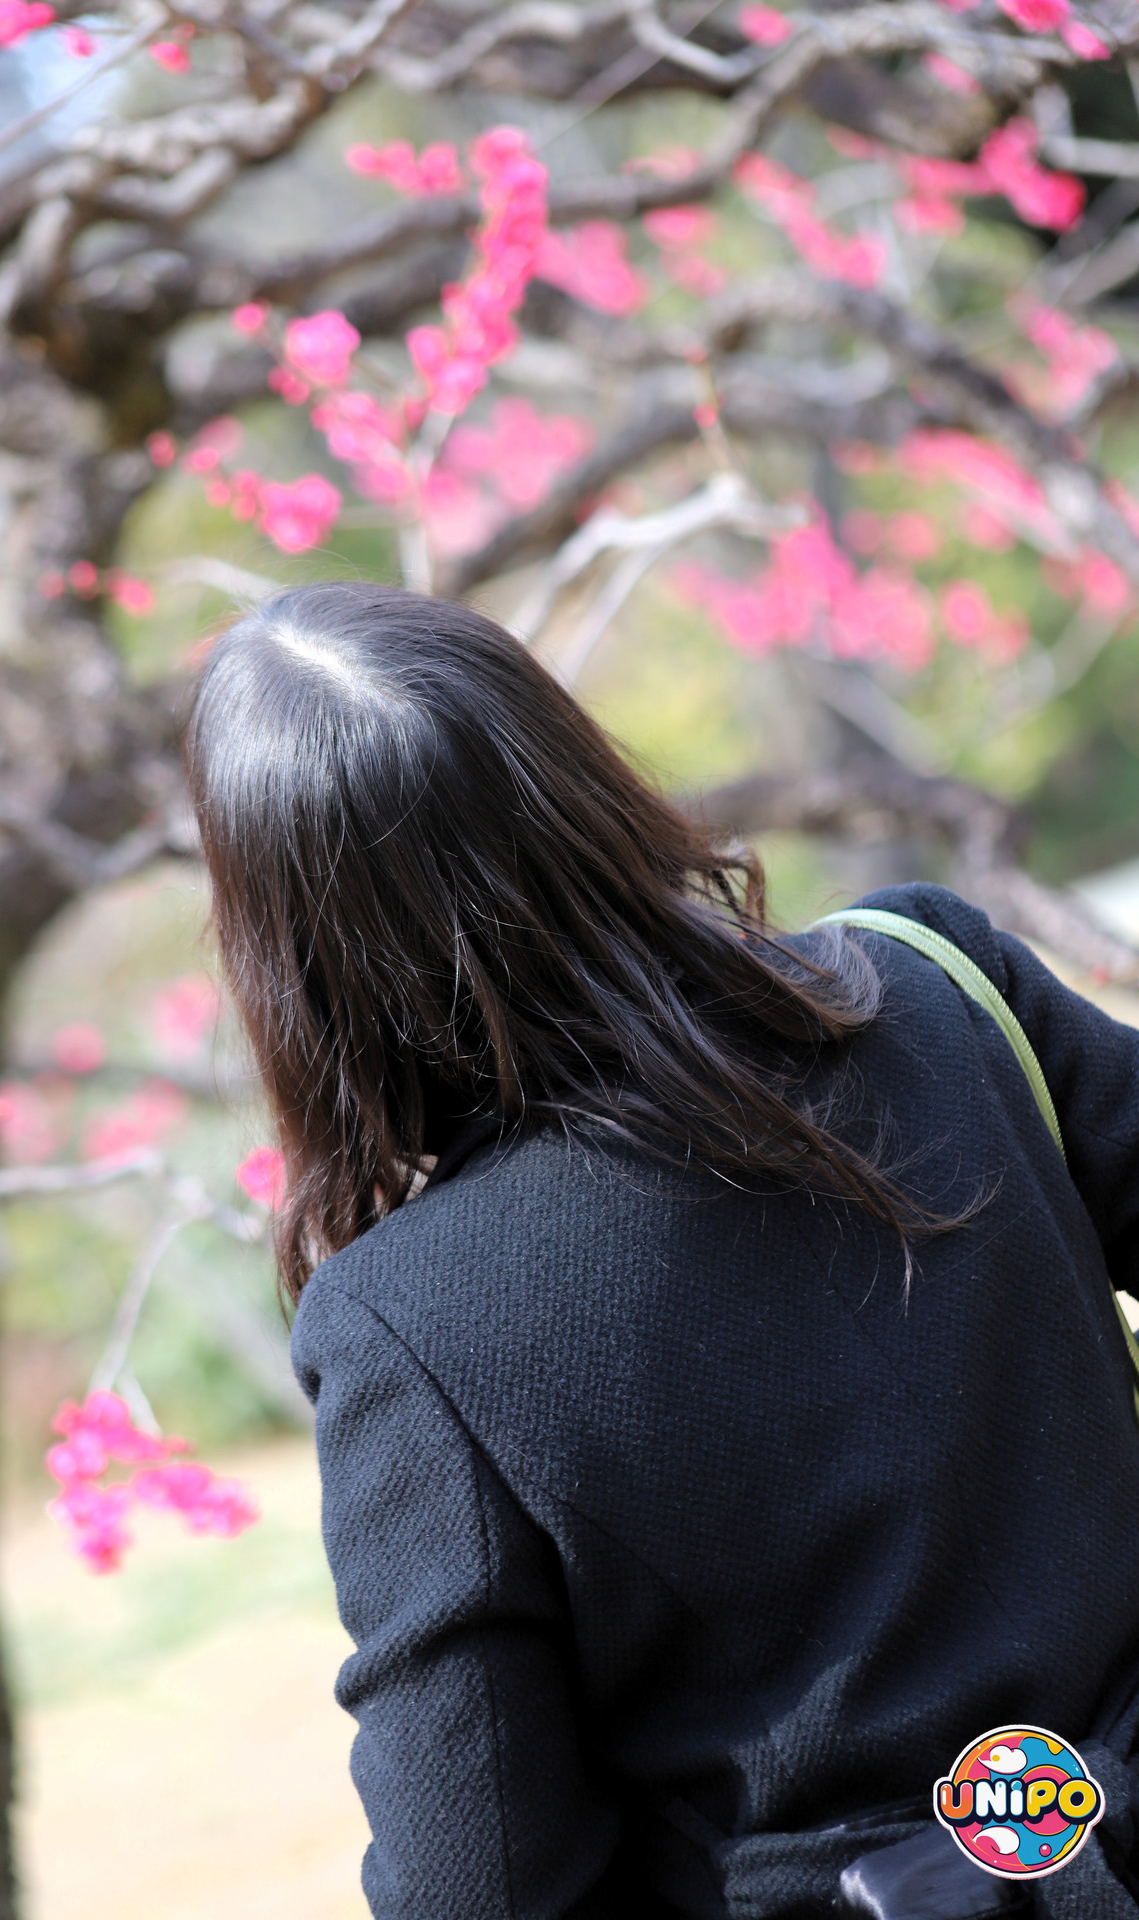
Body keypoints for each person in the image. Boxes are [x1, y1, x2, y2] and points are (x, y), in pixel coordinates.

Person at [183, 581, 1139, 1920]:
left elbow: (483, 1881)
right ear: (581, 778)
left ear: (300, 956)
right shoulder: (933, 984)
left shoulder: (408, 1326)